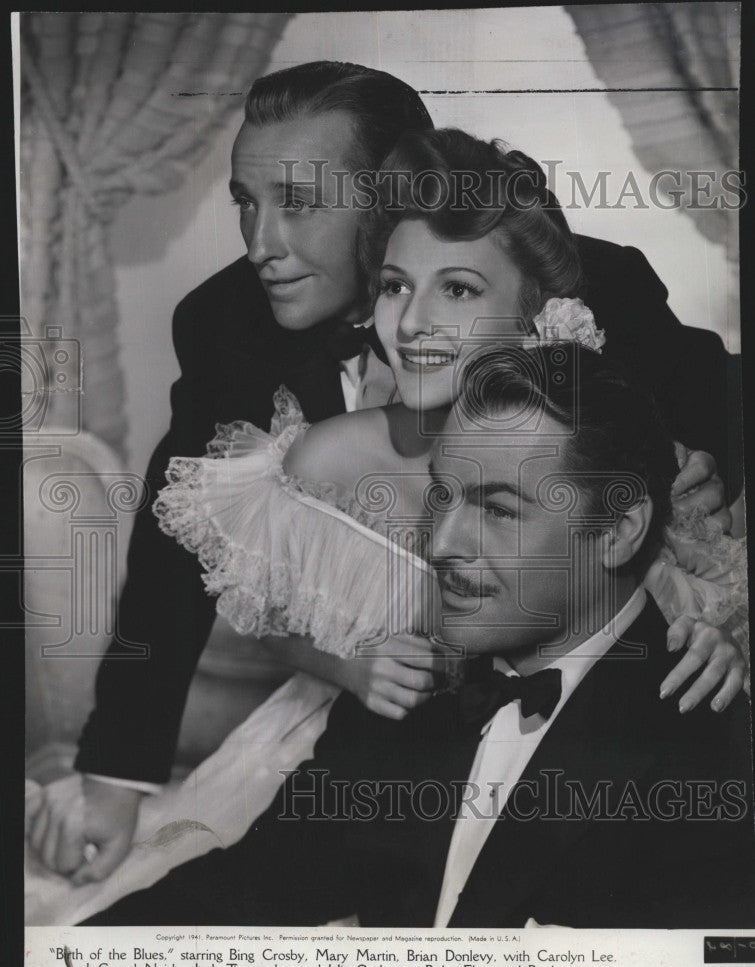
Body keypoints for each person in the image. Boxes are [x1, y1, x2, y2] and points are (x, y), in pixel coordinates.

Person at [30, 63, 740, 886]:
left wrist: (686, 507)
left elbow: (710, 403)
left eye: (298, 202)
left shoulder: (586, 284)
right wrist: (114, 779)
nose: (261, 245)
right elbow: (180, 562)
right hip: (374, 730)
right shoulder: (226, 324)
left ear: (388, 197)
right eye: (245, 203)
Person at [84, 342, 754, 928]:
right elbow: (234, 895)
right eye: (441, 497)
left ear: (616, 531)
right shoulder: (412, 691)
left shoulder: (708, 752)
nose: (441, 542)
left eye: (496, 509)